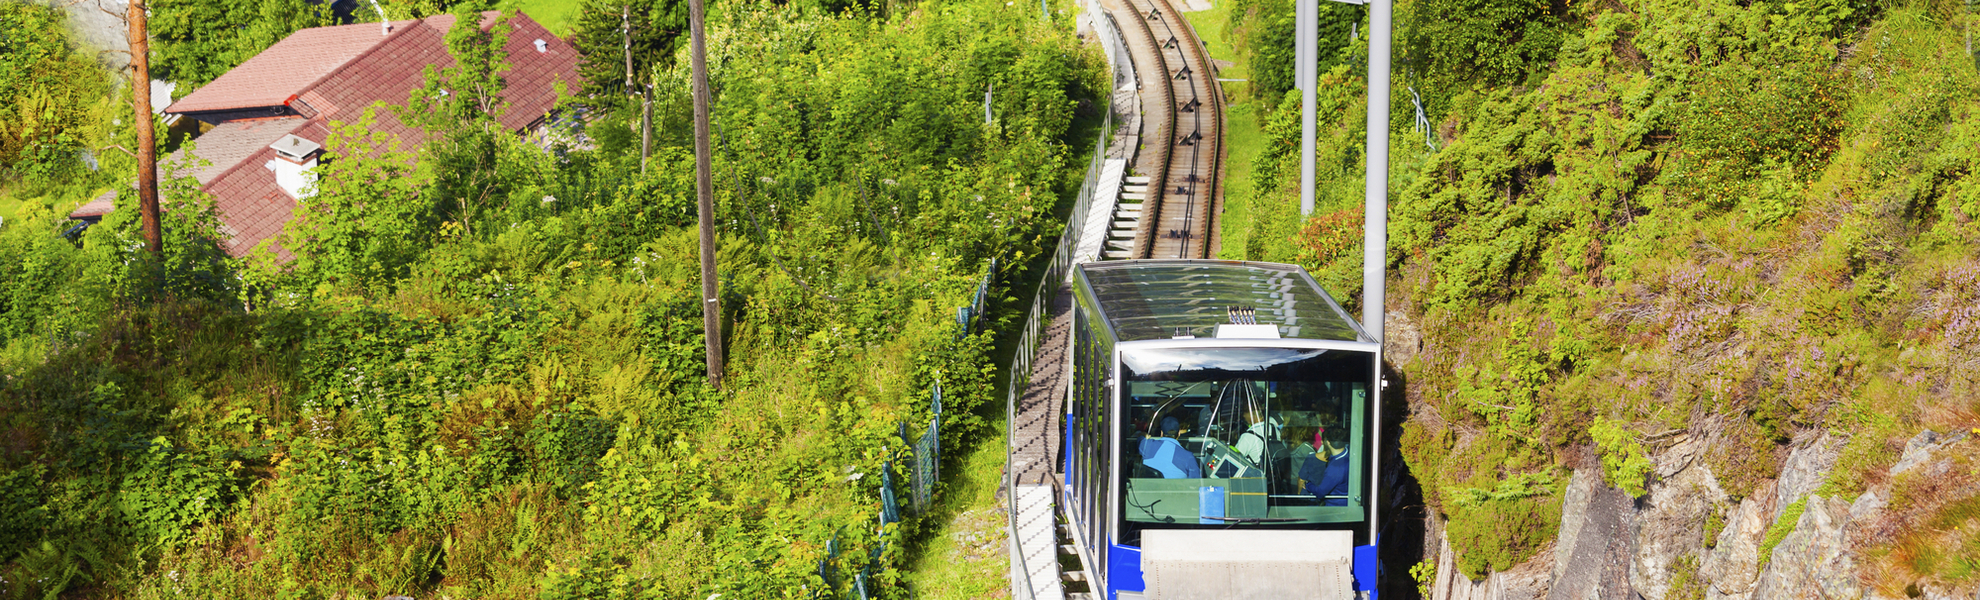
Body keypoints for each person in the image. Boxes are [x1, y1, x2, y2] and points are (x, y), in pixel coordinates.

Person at [1298, 426, 1351, 506]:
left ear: (1327, 442)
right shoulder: (1349, 455)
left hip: (1335, 507)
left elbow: (1320, 492)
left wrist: (1308, 485)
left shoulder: (1335, 468)